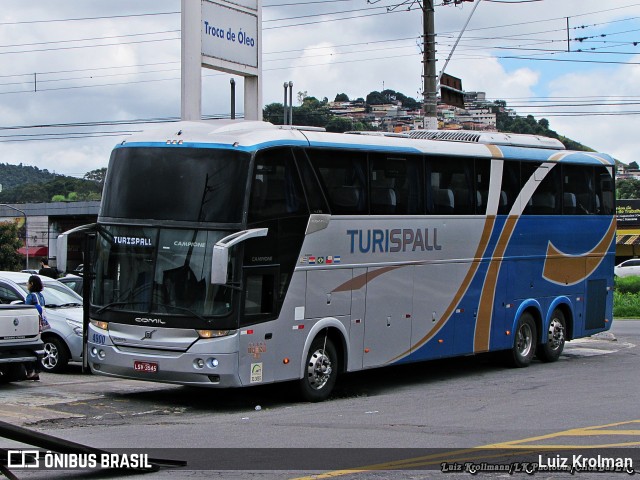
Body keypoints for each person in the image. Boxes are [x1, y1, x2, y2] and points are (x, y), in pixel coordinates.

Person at [25, 275, 45, 381]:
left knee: (27, 348)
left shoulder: (31, 296)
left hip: (30, 325)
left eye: (28, 283)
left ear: (32, 284)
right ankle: (37, 371)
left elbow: (26, 308)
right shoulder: (41, 296)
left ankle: (29, 372)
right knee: (37, 348)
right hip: (39, 325)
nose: (27, 285)